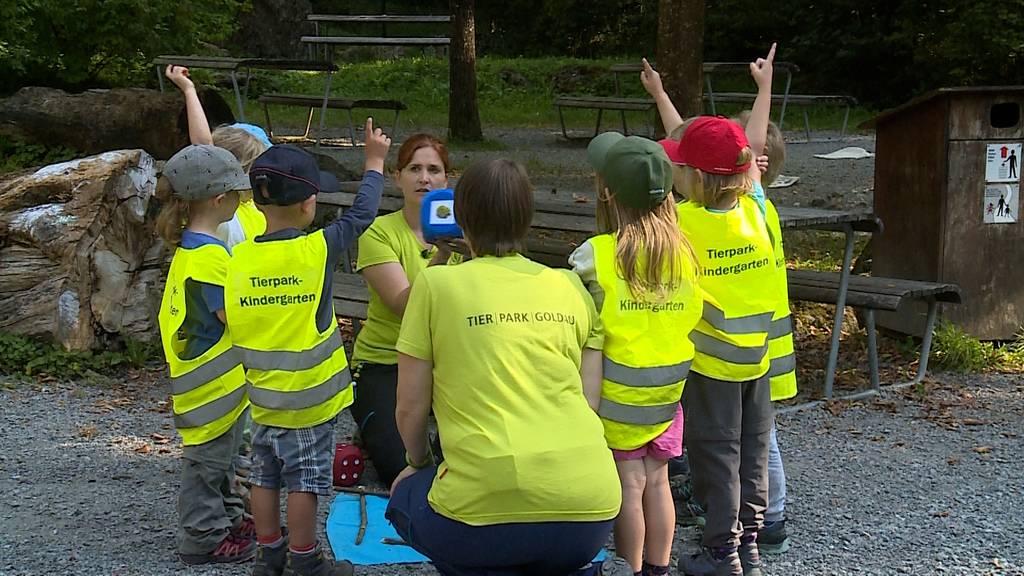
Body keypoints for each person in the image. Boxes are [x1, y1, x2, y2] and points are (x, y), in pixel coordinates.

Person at [385, 158, 622, 576]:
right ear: (527, 217)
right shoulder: (569, 285)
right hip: (591, 510)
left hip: (482, 518)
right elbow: (588, 400)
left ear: (460, 217)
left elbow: (409, 406)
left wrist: (418, 461)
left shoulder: (436, 285)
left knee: (406, 498)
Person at [224, 120, 391, 576]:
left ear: (257, 201)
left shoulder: (238, 259)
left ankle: (268, 553)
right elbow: (361, 216)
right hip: (309, 400)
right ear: (309, 203)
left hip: (262, 395)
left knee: (264, 475)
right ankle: (305, 560)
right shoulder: (317, 250)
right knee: (305, 480)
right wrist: (374, 163)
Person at [663, 44, 779, 576]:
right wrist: (763, 89)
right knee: (753, 453)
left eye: (681, 167)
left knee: (716, 455)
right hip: (759, 358)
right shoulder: (757, 207)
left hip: (712, 364)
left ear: (698, 179)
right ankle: (750, 544)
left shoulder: (684, 223)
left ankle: (720, 551)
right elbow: (747, 151)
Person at [570, 133, 702, 576]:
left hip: (617, 398)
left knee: (630, 484)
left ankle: (631, 569)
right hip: (667, 395)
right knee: (658, 480)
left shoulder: (598, 255)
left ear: (608, 193)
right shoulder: (684, 252)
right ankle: (658, 569)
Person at [155, 144, 255, 564]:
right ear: (220, 200)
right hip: (212, 389)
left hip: (215, 388)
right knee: (207, 466)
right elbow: (230, 315)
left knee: (225, 460)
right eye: (238, 194)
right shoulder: (211, 259)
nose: (242, 201)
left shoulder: (191, 249)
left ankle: (229, 518)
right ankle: (203, 536)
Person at [349, 133, 456, 487]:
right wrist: (442, 256)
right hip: (387, 361)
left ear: (446, 179)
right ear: (397, 176)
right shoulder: (378, 233)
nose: (424, 178)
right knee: (401, 469)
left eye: (433, 170)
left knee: (469, 462)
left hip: (449, 361)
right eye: (414, 168)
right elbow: (404, 306)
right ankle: (375, 425)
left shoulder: (468, 235)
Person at [733, 111, 796, 555]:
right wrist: (660, 94)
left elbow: (751, 149)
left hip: (757, 349)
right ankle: (764, 515)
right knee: (757, 436)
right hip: (763, 345)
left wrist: (766, 86)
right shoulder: (761, 209)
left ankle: (771, 517)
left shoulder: (754, 208)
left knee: (761, 438)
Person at [164, 64, 268, 248]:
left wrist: (189, 90)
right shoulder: (224, 215)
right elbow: (204, 146)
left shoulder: (210, 210)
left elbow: (205, 148)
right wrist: (189, 90)